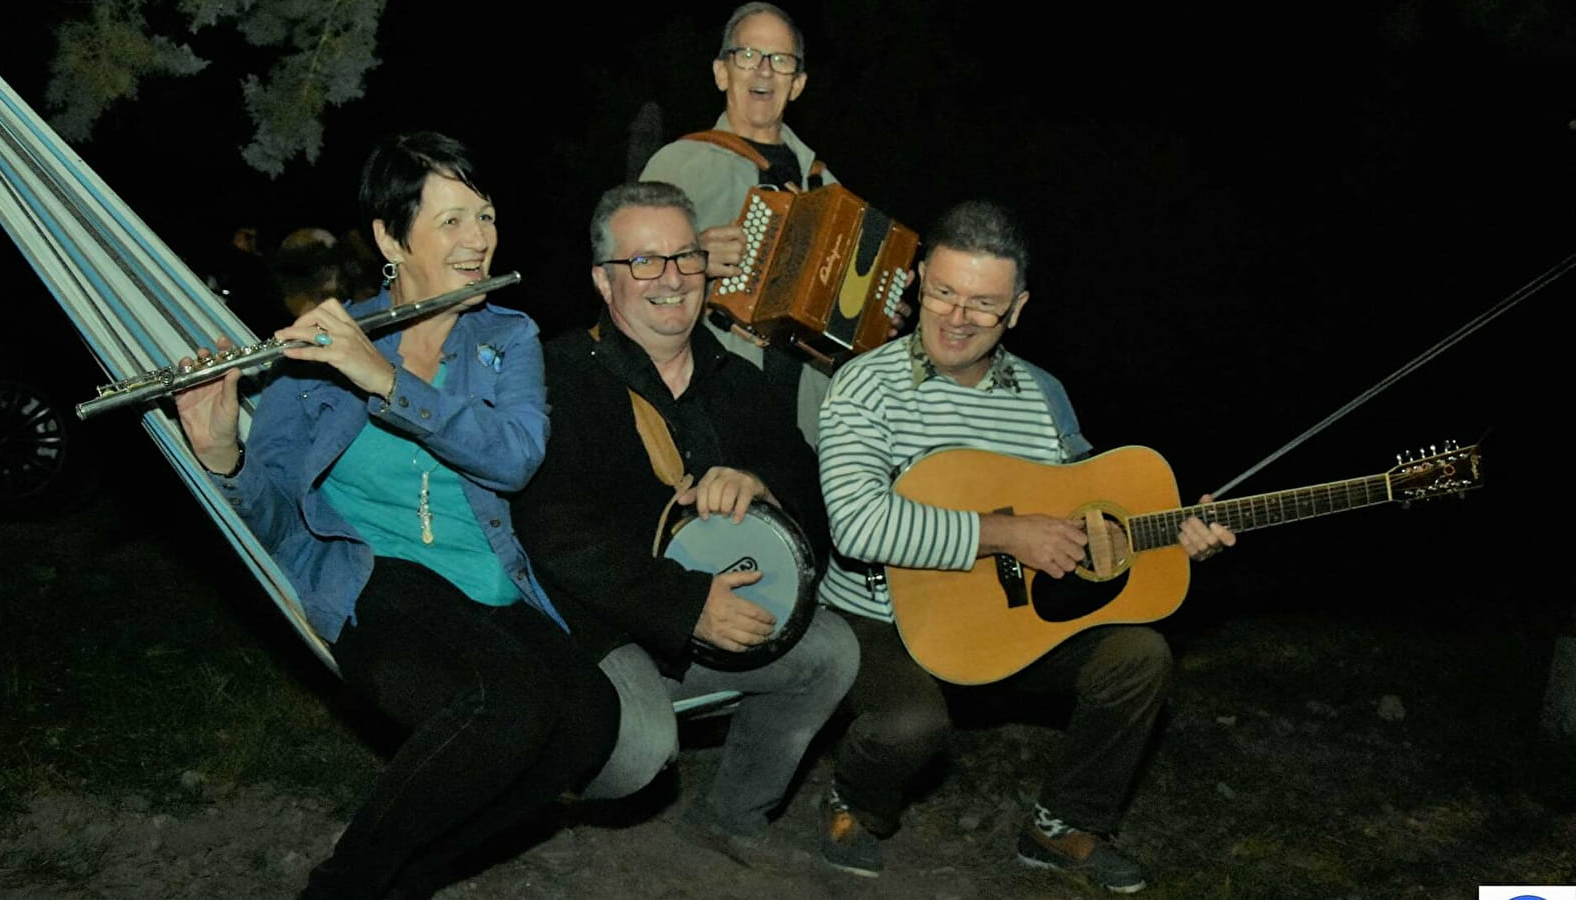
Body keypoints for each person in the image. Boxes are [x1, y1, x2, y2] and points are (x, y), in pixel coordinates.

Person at [173, 131, 618, 900]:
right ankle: (345, 886)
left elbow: (514, 456)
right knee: (506, 707)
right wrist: (223, 457)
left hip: (481, 578)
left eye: (485, 216)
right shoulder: (320, 345)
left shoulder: (506, 337)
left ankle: (409, 875)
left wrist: (386, 380)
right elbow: (273, 519)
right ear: (389, 236)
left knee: (588, 720)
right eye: (451, 221)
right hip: (373, 576)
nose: (478, 240)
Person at [812, 201, 1237, 892]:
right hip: (878, 618)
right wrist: (1004, 533)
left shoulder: (1043, 396)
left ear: (1017, 307)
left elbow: (1088, 515)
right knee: (912, 724)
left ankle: (1059, 824)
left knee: (1138, 658)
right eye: (944, 292)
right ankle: (853, 802)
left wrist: (1176, 535)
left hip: (1007, 621)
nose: (956, 317)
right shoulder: (867, 383)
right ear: (918, 280)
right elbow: (857, 526)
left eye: (984, 304)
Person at [511, 181, 858, 863]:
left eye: (685, 258)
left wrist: (762, 485)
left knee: (830, 652)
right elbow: (555, 533)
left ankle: (732, 817)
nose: (670, 280)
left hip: (704, 618)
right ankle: (521, 777)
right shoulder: (554, 376)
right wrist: (684, 604)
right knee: (638, 754)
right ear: (604, 281)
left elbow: (815, 497)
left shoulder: (738, 381)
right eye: (644, 262)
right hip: (598, 626)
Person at [641, 2, 885, 448]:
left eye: (781, 60)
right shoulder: (675, 165)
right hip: (710, 407)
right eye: (748, 55)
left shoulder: (827, 186)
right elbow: (623, 275)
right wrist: (691, 259)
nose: (765, 71)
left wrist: (876, 312)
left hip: (812, 414)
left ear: (798, 84)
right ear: (721, 72)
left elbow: (845, 320)